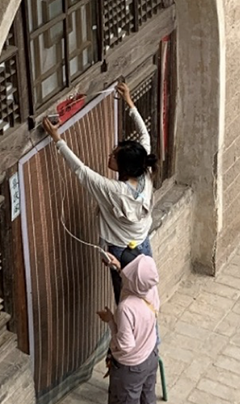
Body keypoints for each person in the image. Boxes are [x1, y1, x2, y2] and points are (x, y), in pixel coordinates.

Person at [42, 82, 157, 303]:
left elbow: (82, 171)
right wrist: (129, 102)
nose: (109, 156)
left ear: (124, 167)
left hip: (122, 252)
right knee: (147, 296)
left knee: (127, 303)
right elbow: (145, 136)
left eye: (114, 156)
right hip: (142, 244)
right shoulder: (144, 171)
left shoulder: (115, 191)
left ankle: (129, 327)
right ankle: (149, 326)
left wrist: (57, 139)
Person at [97, 254, 160, 404]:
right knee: (147, 399)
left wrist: (111, 322)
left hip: (130, 366)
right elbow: (135, 281)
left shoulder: (126, 308)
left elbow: (125, 345)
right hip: (150, 355)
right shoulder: (150, 290)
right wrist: (117, 267)